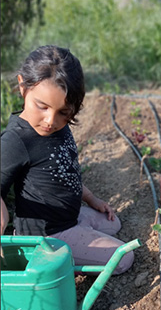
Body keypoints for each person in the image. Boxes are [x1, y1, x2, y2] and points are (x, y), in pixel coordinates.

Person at [0, 45, 134, 274]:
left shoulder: (58, 128)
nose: (50, 120)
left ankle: (79, 234)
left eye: (64, 112)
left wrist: (91, 198)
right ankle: (52, 264)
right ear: (23, 86)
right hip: (45, 235)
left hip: (68, 217)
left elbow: (65, 171)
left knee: (114, 223)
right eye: (41, 106)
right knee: (123, 258)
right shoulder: (16, 140)